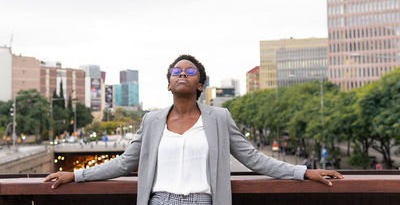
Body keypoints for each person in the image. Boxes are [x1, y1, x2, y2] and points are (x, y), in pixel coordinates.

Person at [44, 54, 343, 205]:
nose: (183, 74)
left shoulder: (219, 118)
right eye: (177, 71)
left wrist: (303, 172)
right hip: (159, 200)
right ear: (169, 83)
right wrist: (75, 175)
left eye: (190, 72)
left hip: (204, 200)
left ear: (200, 84)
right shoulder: (151, 121)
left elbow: (254, 159)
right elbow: (125, 162)